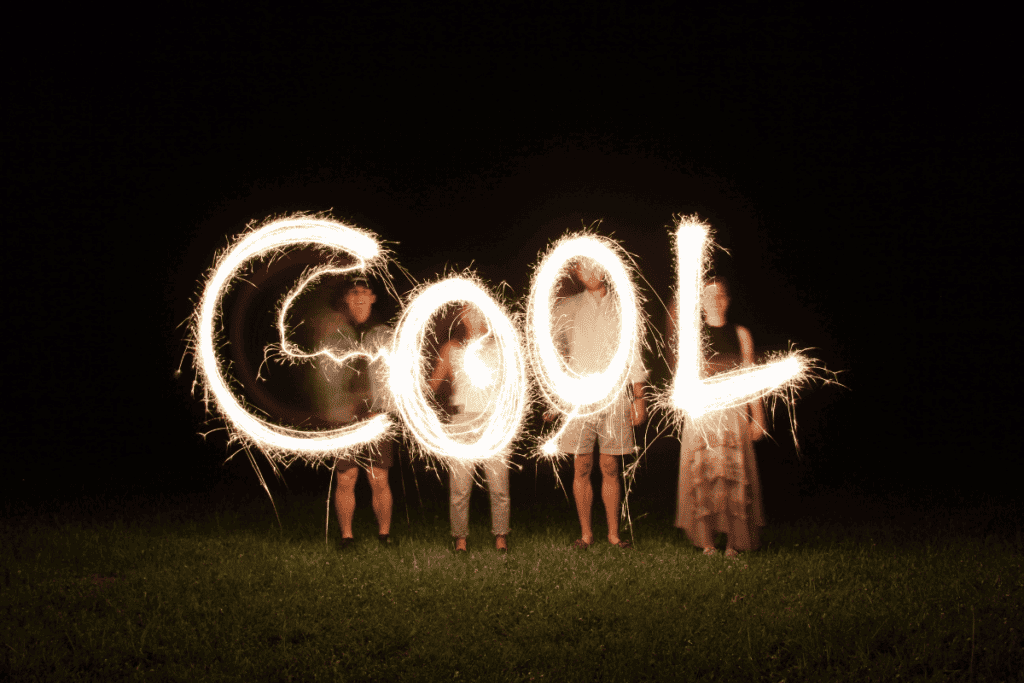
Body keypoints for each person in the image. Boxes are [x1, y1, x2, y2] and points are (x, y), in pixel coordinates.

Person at [551, 257, 647, 550]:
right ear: (576, 273)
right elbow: (554, 353)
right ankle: (586, 534)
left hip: (615, 397)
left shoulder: (624, 307)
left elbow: (634, 355)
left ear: (604, 267)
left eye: (595, 265)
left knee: (610, 466)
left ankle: (614, 534)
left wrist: (638, 398)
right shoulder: (567, 308)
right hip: (579, 398)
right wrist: (557, 396)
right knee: (581, 465)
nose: (590, 272)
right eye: (583, 267)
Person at [670, 277, 767, 558]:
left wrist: (757, 416)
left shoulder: (741, 334)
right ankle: (708, 541)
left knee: (731, 475)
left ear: (728, 299)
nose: (715, 299)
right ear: (700, 301)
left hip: (733, 414)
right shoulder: (692, 338)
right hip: (703, 413)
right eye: (708, 295)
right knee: (703, 474)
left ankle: (733, 543)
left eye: (720, 294)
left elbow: (752, 379)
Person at [310, 275, 396, 550]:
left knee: (378, 477)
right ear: (347, 298)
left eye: (365, 291)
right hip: (345, 418)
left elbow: (394, 377)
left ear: (373, 297)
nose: (359, 297)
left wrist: (383, 409)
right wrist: (337, 407)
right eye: (354, 292)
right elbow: (326, 377)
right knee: (346, 477)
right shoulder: (336, 335)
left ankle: (385, 535)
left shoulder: (384, 334)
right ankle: (347, 537)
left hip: (376, 417)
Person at [428, 304, 511, 552]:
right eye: (467, 311)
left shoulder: (501, 348)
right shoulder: (452, 349)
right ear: (462, 317)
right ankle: (460, 538)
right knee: (460, 486)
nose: (473, 315)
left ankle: (501, 536)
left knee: (499, 486)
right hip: (462, 422)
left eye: (478, 310)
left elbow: (514, 386)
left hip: (494, 422)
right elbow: (432, 384)